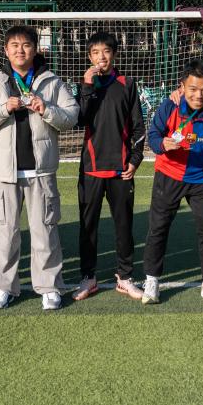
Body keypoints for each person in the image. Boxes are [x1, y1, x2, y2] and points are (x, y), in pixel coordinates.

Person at [0, 25, 79, 311]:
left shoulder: (51, 81)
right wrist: (3, 109)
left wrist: (46, 109)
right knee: (5, 233)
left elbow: (72, 116)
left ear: (35, 49)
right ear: (5, 50)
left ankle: (49, 286)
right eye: (14, 45)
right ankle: (3, 286)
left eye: (26, 45)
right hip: (4, 173)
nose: (20, 50)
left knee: (45, 231)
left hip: (40, 171)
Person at [141, 60, 203, 305]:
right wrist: (162, 144)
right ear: (182, 87)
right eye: (192, 89)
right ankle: (152, 280)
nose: (198, 95)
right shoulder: (170, 105)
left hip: (202, 179)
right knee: (158, 228)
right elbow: (153, 134)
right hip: (169, 175)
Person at [73, 31, 145, 302]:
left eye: (105, 51)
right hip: (91, 169)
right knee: (87, 226)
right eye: (95, 53)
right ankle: (88, 277)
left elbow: (139, 127)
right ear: (89, 57)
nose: (101, 57)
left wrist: (135, 160)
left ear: (114, 54)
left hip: (121, 170)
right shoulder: (84, 85)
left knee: (124, 226)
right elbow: (80, 119)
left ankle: (125, 277)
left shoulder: (127, 84)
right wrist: (87, 86)